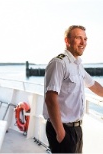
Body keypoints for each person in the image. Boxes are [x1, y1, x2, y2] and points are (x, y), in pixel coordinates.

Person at [43, 25, 103, 153]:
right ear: (67, 41)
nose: (83, 43)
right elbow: (50, 99)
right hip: (62, 129)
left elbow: (94, 85)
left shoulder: (77, 65)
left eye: (85, 39)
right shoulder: (59, 63)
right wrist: (60, 133)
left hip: (76, 129)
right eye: (78, 38)